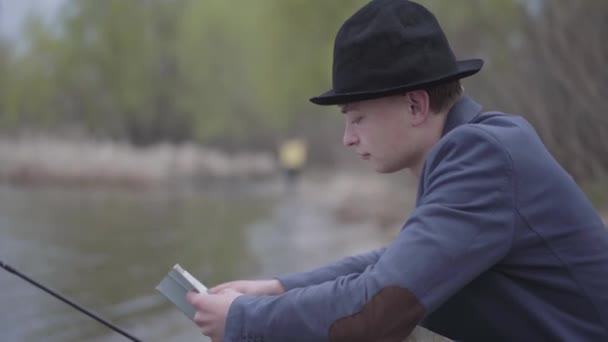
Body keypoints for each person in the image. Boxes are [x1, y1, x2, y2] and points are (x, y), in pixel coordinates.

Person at [186, 0, 608, 341]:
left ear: (415, 105)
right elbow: (395, 264)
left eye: (358, 118)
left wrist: (244, 321)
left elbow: (378, 310)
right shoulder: (477, 151)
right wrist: (278, 288)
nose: (347, 138)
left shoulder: (482, 155)